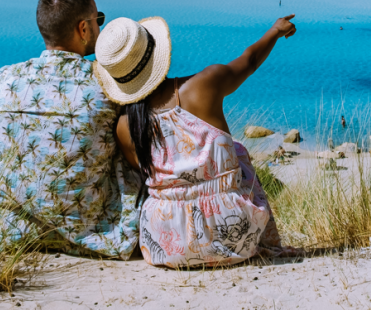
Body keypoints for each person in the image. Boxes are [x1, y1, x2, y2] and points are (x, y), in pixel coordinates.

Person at [95, 14, 297, 268]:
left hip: (164, 244)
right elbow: (250, 60)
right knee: (238, 151)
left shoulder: (125, 126)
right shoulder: (204, 84)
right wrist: (275, 31)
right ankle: (265, 242)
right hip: (233, 234)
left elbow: (142, 171)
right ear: (157, 51)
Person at [0, 0, 140, 259]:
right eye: (98, 20)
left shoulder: (3, 80)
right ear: (83, 29)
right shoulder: (105, 84)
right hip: (94, 232)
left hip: (12, 232)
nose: (100, 29)